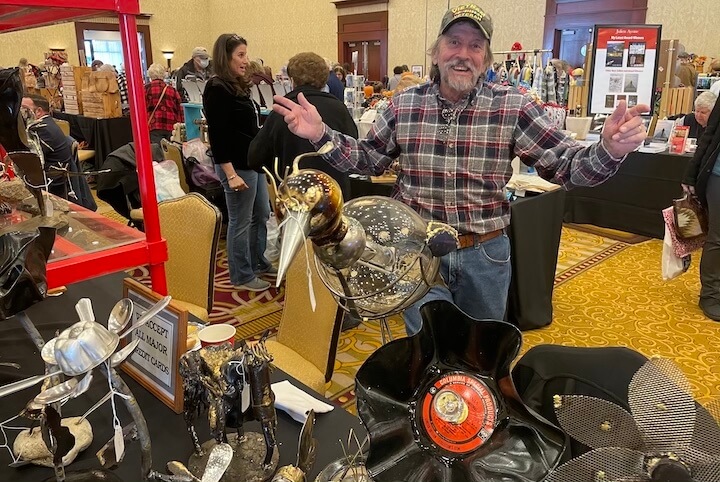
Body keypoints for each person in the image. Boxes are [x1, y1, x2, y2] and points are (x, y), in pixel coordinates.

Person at [271, 3, 649, 335]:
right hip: (418, 256)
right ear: (436, 52)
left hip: (484, 255)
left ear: (486, 57)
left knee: (481, 357)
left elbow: (566, 166)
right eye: (454, 43)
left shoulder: (512, 106)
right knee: (425, 354)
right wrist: (321, 134)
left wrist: (610, 149)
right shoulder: (405, 105)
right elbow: (370, 159)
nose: (463, 54)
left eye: (475, 45)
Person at [204, 33, 274, 292]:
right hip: (235, 166)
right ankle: (241, 274)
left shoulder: (236, 85)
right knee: (240, 221)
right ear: (226, 57)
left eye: (246, 54)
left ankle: (258, 261)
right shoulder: (217, 88)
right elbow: (218, 135)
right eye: (240, 55)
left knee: (261, 214)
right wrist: (230, 174)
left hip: (251, 163)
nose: (246, 60)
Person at [248, 51, 358, 199]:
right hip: (334, 196)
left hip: (295, 198)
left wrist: (278, 168)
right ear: (324, 81)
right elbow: (353, 150)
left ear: (292, 80)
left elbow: (255, 158)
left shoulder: (282, 110)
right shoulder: (339, 109)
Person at [682, 95, 720, 321]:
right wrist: (691, 173)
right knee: (718, 238)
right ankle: (711, 295)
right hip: (717, 175)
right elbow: (709, 134)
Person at [20, 94, 73, 199]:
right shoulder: (47, 123)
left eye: (24, 108)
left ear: (38, 111)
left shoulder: (43, 129)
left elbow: (29, 159)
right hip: (53, 177)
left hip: (52, 184)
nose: (20, 112)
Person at [145, 63, 184, 144]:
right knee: (170, 152)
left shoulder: (145, 89)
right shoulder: (172, 90)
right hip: (171, 126)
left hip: (153, 126)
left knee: (156, 151)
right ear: (163, 74)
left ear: (150, 75)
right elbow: (180, 109)